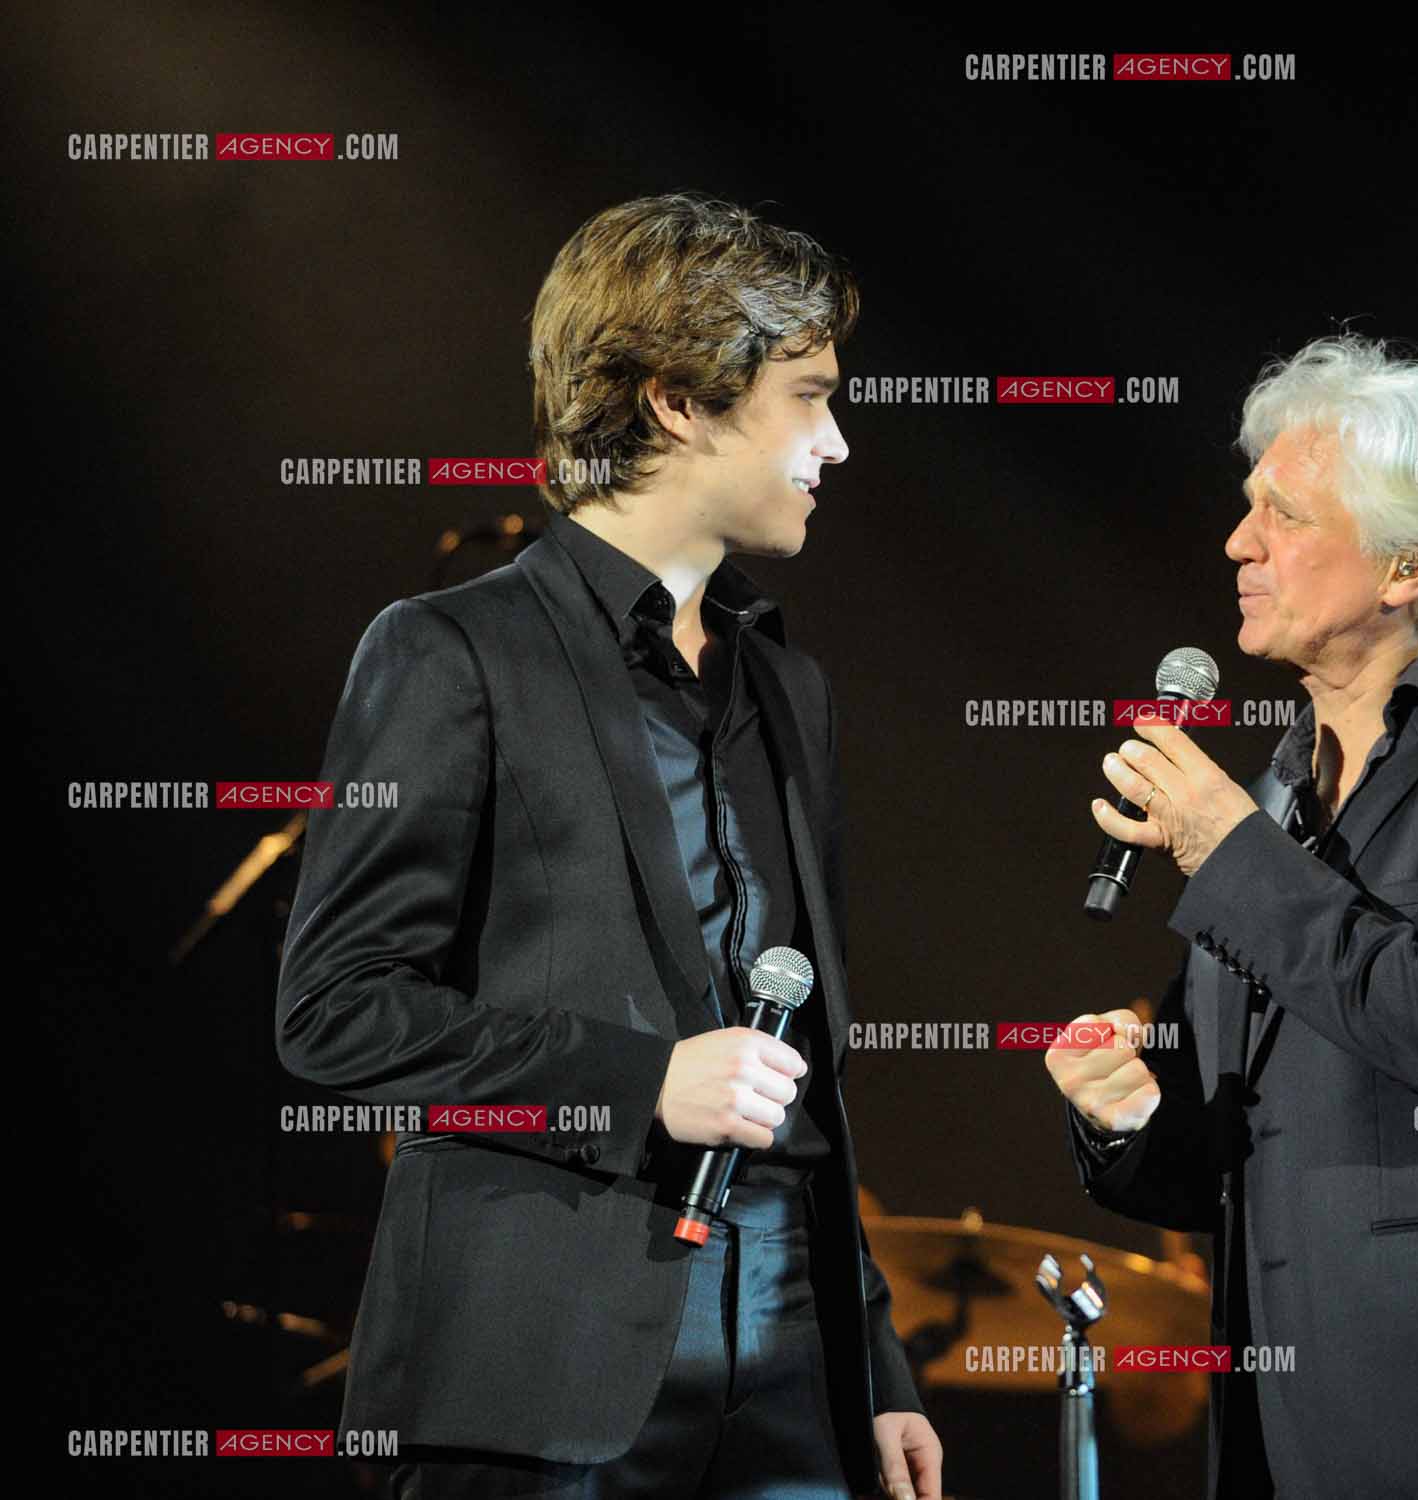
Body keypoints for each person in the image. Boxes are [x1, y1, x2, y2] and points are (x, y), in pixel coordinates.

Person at [276, 194, 941, 1500]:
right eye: (807, 396)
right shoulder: (449, 650)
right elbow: (337, 1014)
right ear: (677, 401)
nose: (837, 442)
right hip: (534, 1372)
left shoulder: (786, 688)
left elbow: (802, 1073)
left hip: (796, 1364)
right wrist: (636, 1085)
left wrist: (875, 1364)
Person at [1045, 335, 1418, 1498]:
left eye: (1283, 515)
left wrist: (1227, 851)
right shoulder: (1276, 787)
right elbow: (1228, 1155)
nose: (1238, 544)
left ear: (1407, 565)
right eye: (1244, 507)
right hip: (1278, 1427)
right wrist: (1132, 1117)